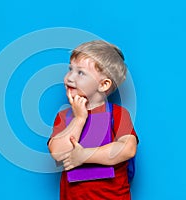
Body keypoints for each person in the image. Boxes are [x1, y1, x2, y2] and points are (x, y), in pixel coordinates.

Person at [48, 40, 139, 200]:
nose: (69, 78)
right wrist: (79, 118)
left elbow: (127, 149)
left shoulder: (118, 114)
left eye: (80, 73)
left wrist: (84, 156)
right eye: (70, 69)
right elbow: (57, 152)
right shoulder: (64, 117)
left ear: (103, 84)